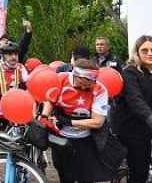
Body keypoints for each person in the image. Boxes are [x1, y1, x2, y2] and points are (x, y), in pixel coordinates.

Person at [43, 59, 114, 183]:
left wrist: (69, 122)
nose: (82, 88)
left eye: (87, 86)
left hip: (85, 139)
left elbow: (98, 122)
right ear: (74, 75)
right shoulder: (60, 79)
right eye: (80, 84)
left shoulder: (100, 89)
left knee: (85, 177)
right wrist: (44, 115)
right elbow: (49, 99)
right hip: (60, 137)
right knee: (64, 174)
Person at [111, 35, 152, 183]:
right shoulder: (130, 72)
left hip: (146, 127)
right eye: (145, 50)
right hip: (131, 129)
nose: (149, 53)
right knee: (139, 173)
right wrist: (150, 118)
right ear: (137, 52)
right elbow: (135, 100)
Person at [0, 40, 28, 154]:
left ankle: (16, 166)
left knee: (16, 142)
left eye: (16, 54)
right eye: (10, 54)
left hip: (14, 110)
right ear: (2, 56)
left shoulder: (21, 68)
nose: (14, 57)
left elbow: (28, 86)